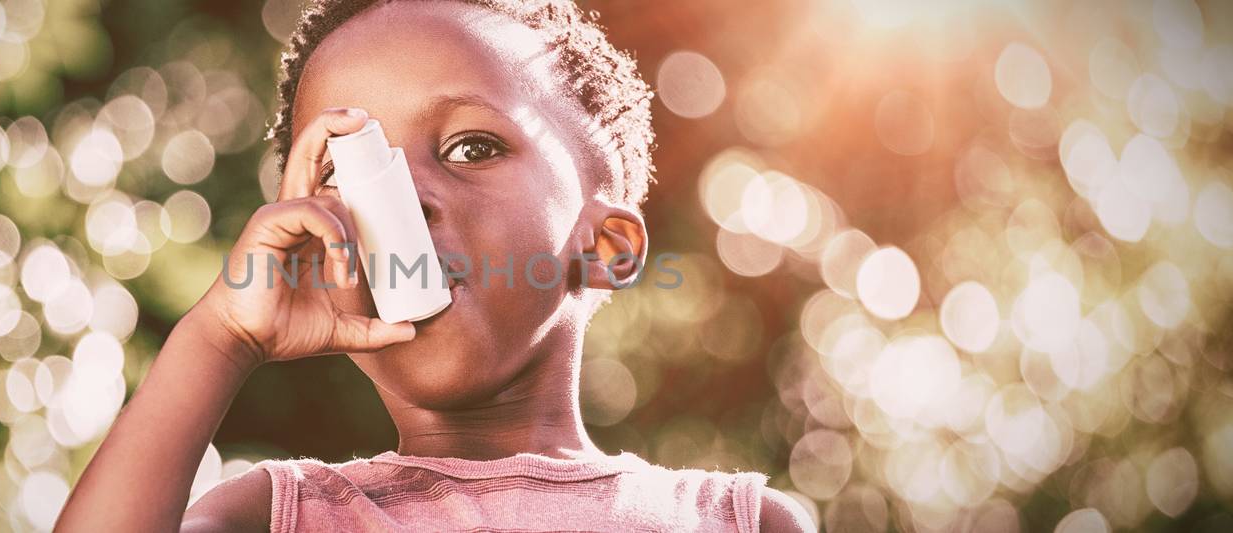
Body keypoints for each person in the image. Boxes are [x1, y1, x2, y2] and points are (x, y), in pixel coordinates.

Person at [57, 1, 813, 531]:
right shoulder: (272, 515)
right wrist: (220, 336)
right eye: (348, 174)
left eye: (471, 147)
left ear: (605, 246)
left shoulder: (738, 522)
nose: (404, 199)